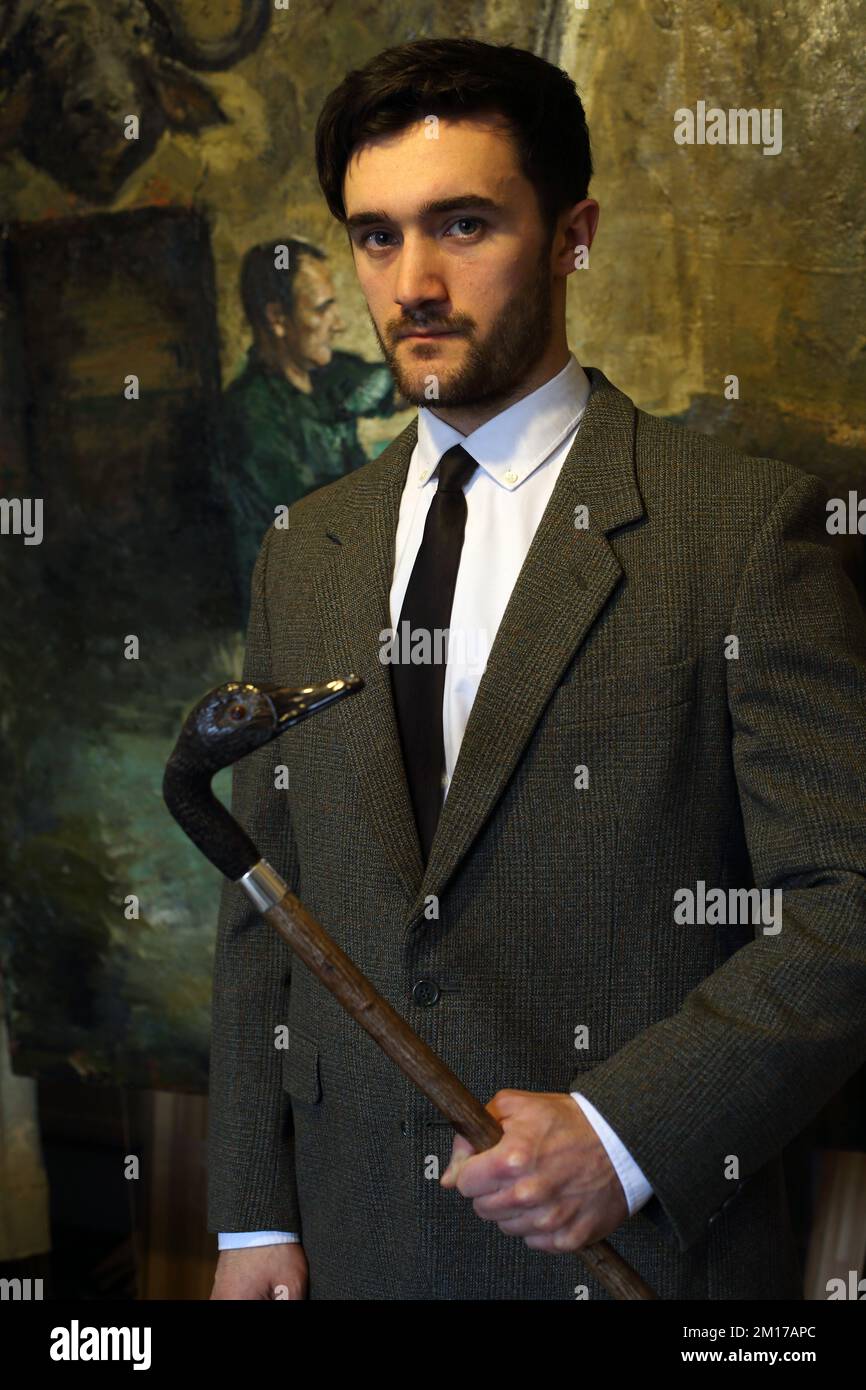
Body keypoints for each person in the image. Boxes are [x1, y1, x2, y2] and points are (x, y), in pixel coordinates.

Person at [207, 37, 866, 1300]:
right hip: (347, 1250)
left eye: (463, 224)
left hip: (633, 1254)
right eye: (376, 235)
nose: (415, 281)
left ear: (571, 235)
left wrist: (627, 1134)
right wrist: (248, 1219)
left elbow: (846, 896)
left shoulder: (737, 531)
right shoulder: (305, 550)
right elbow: (262, 903)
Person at [221, 236, 398, 620]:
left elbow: (398, 386)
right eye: (322, 309)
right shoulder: (251, 415)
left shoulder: (328, 376)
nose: (338, 324)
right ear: (277, 318)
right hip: (303, 609)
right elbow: (317, 524)